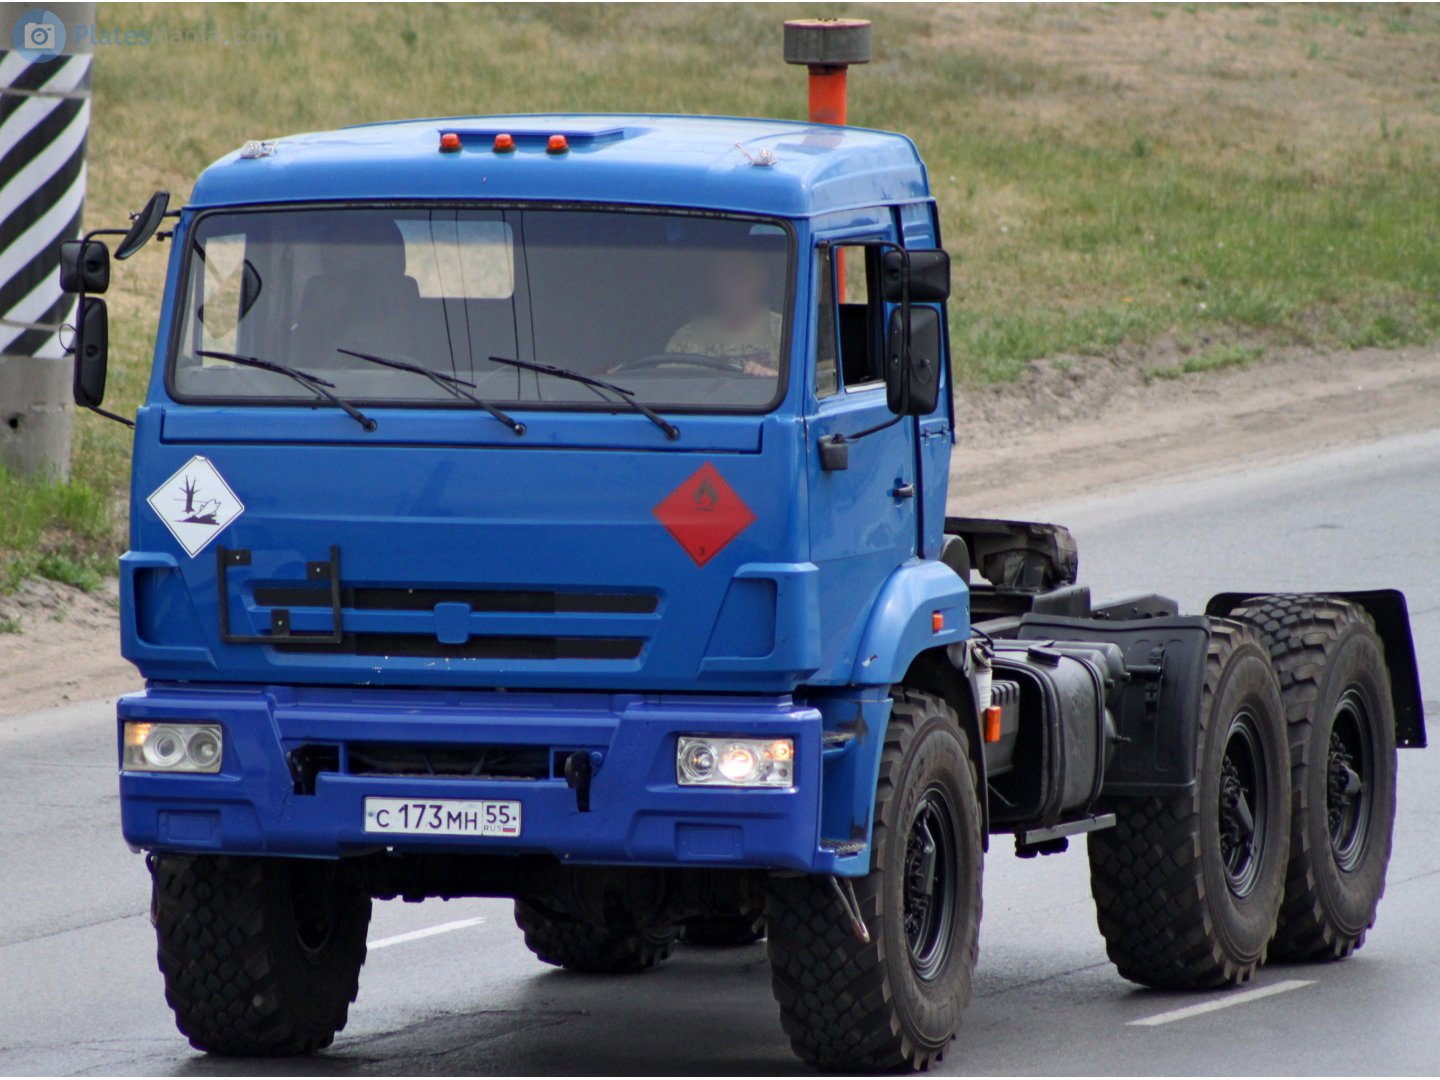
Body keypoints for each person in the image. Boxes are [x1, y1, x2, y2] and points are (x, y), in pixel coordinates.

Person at [666, 249, 781, 376]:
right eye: (719, 274)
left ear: (762, 277)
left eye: (738, 273)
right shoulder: (685, 339)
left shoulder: (788, 331)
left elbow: (801, 381)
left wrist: (771, 378)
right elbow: (666, 389)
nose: (728, 283)